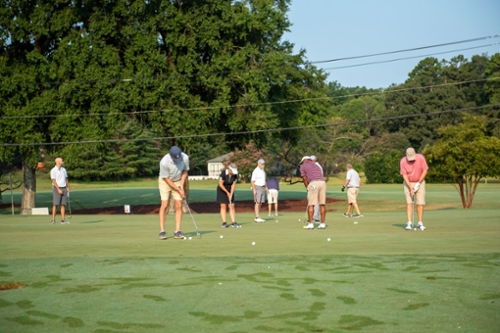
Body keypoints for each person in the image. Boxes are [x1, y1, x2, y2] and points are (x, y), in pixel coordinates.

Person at [158, 146, 190, 240]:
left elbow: (184, 171)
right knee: (165, 204)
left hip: (178, 181)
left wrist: (182, 186)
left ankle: (177, 231)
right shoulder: (164, 162)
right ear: (170, 156)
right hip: (165, 181)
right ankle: (162, 231)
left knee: (179, 205)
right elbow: (166, 179)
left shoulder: (185, 157)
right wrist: (178, 189)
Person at [400, 147, 428, 230]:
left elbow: (425, 170)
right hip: (408, 182)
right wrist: (411, 188)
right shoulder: (403, 161)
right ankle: (409, 222)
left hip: (420, 181)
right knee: (409, 202)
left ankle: (420, 222)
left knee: (420, 203)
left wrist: (419, 183)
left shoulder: (421, 158)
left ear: (415, 153)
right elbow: (404, 175)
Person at [299, 156, 327, 229]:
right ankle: (322, 224)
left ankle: (311, 224)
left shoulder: (302, 166)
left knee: (311, 204)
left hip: (314, 183)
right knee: (322, 204)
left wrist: (307, 188)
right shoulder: (316, 165)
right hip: (322, 183)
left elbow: (304, 178)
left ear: (304, 161)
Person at [217, 163, 241, 228]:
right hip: (222, 190)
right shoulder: (223, 174)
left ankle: (233, 222)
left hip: (230, 190)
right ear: (229, 170)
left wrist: (231, 193)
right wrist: (227, 192)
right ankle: (224, 222)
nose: (233, 173)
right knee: (223, 205)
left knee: (232, 205)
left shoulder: (235, 175)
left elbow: (233, 185)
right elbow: (220, 184)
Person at [50, 157, 70, 224]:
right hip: (56, 188)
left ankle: (63, 220)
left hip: (64, 187)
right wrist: (58, 189)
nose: (63, 161)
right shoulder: (53, 170)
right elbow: (53, 180)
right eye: (62, 161)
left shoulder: (64, 169)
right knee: (55, 204)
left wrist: (67, 187)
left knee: (63, 204)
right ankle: (53, 219)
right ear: (58, 162)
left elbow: (66, 179)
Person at [310, 155, 323, 223]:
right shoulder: (316, 165)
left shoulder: (316, 166)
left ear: (313, 160)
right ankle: (314, 217)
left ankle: (316, 217)